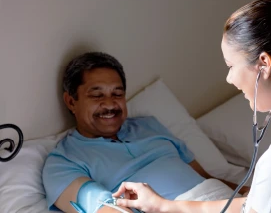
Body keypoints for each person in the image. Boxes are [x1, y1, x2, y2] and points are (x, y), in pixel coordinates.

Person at [112, 0, 271, 213]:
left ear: (264, 64)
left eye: (231, 66)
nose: (229, 78)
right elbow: (252, 207)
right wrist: (164, 205)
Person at [42, 52, 248, 213]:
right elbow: (107, 210)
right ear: (71, 101)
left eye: (117, 93)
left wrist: (250, 195)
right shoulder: (63, 162)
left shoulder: (149, 126)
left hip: (224, 201)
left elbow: (203, 177)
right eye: (97, 95)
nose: (109, 104)